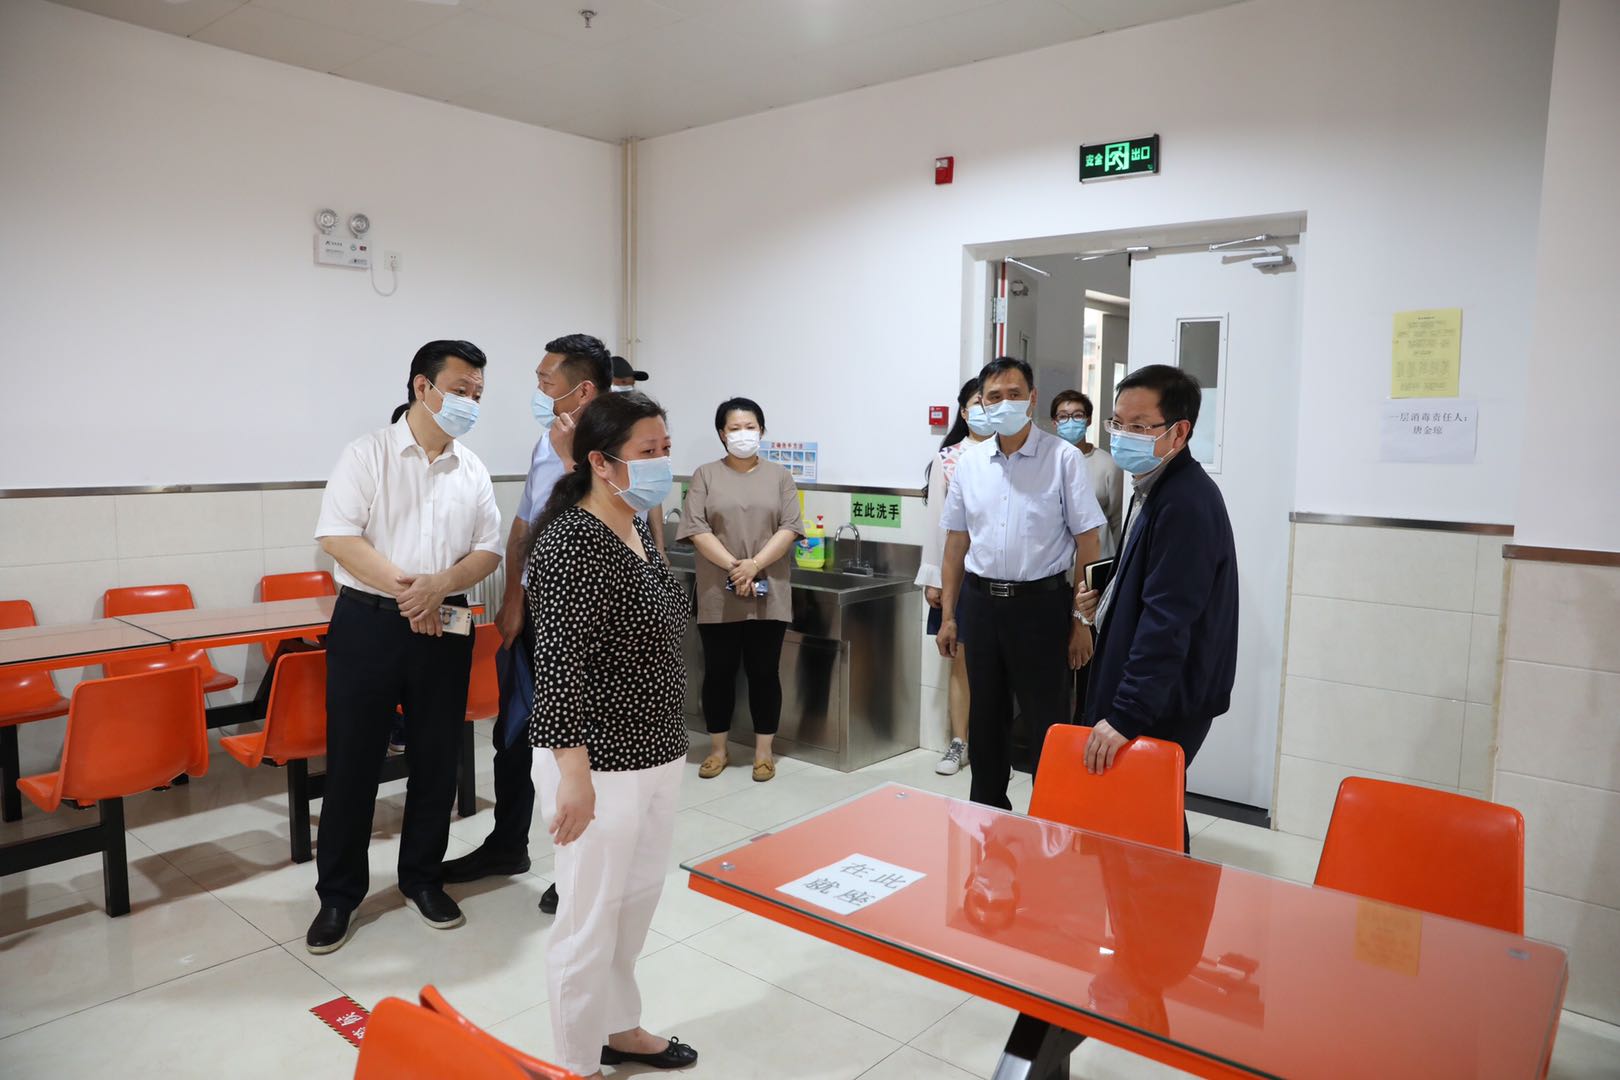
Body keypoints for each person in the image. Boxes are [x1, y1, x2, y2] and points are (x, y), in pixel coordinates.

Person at [306, 340, 503, 954]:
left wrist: (439, 588)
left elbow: (488, 550)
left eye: (477, 394)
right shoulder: (367, 453)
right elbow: (339, 537)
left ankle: (421, 877)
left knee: (438, 759)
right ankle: (339, 896)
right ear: (423, 386)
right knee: (354, 762)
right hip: (369, 622)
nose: (470, 402)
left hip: (445, 623)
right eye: (461, 390)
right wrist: (412, 593)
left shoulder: (471, 468)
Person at [527, 391, 698, 1079]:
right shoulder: (571, 543)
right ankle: (575, 1065)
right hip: (598, 763)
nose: (662, 463)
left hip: (656, 749)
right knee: (588, 920)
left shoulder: (634, 527)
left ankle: (617, 1027)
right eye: (648, 452)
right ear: (601, 462)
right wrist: (573, 777)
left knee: (633, 904)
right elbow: (557, 669)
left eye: (666, 449)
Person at [441, 334, 611, 920]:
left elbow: (614, 525)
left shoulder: (617, 445)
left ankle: (579, 868)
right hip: (538, 610)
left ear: (581, 390)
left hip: (588, 618)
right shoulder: (546, 439)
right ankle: (507, 844)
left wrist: (572, 459)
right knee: (514, 735)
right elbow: (523, 526)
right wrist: (515, 597)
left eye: (546, 382)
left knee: (584, 747)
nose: (537, 391)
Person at [1074, 364, 1239, 852]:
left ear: (1179, 432)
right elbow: (1151, 577)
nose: (1123, 435)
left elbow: (1169, 619)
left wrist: (1127, 714)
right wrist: (1109, 596)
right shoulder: (1152, 484)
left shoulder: (1185, 501)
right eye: (1117, 423)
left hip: (1164, 697)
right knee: (1141, 813)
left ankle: (1166, 898)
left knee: (1146, 818)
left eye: (1140, 426)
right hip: (1151, 687)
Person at [937, 357, 1105, 811]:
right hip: (981, 604)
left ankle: (1051, 817)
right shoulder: (969, 463)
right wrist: (949, 616)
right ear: (982, 403)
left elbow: (1088, 543)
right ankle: (988, 814)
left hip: (1042, 607)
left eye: (1014, 394)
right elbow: (956, 544)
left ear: (1032, 399)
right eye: (994, 396)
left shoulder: (1063, 458)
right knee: (986, 718)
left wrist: (1082, 620)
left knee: (1047, 719)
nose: (1004, 403)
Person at [678, 397, 803, 783]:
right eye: (734, 428)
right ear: (722, 433)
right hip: (718, 592)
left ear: (762, 431)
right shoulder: (705, 475)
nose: (743, 434)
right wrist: (736, 567)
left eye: (750, 427)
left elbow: (789, 527)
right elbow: (696, 528)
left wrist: (755, 565)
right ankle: (718, 749)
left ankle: (764, 752)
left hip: (769, 590)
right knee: (718, 672)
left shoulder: (780, 476)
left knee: (764, 672)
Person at [917, 377, 992, 776]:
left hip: (999, 576)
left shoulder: (1013, 455)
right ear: (964, 411)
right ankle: (959, 742)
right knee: (960, 662)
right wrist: (935, 579)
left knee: (996, 665)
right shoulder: (949, 458)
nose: (985, 409)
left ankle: (992, 743)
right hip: (957, 577)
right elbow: (937, 524)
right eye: (978, 402)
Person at [1051, 390, 1124, 557]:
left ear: (1088, 420)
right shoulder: (1046, 463)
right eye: (1063, 417)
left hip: (1098, 556)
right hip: (1057, 561)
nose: (1070, 422)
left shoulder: (1108, 464)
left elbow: (1117, 518)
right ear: (1055, 422)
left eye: (1077, 415)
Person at [611, 356, 667, 556]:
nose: (627, 391)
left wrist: (659, 547)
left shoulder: (642, 434)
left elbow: (653, 494)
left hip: (637, 540)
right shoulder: (594, 435)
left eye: (631, 385)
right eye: (621, 384)